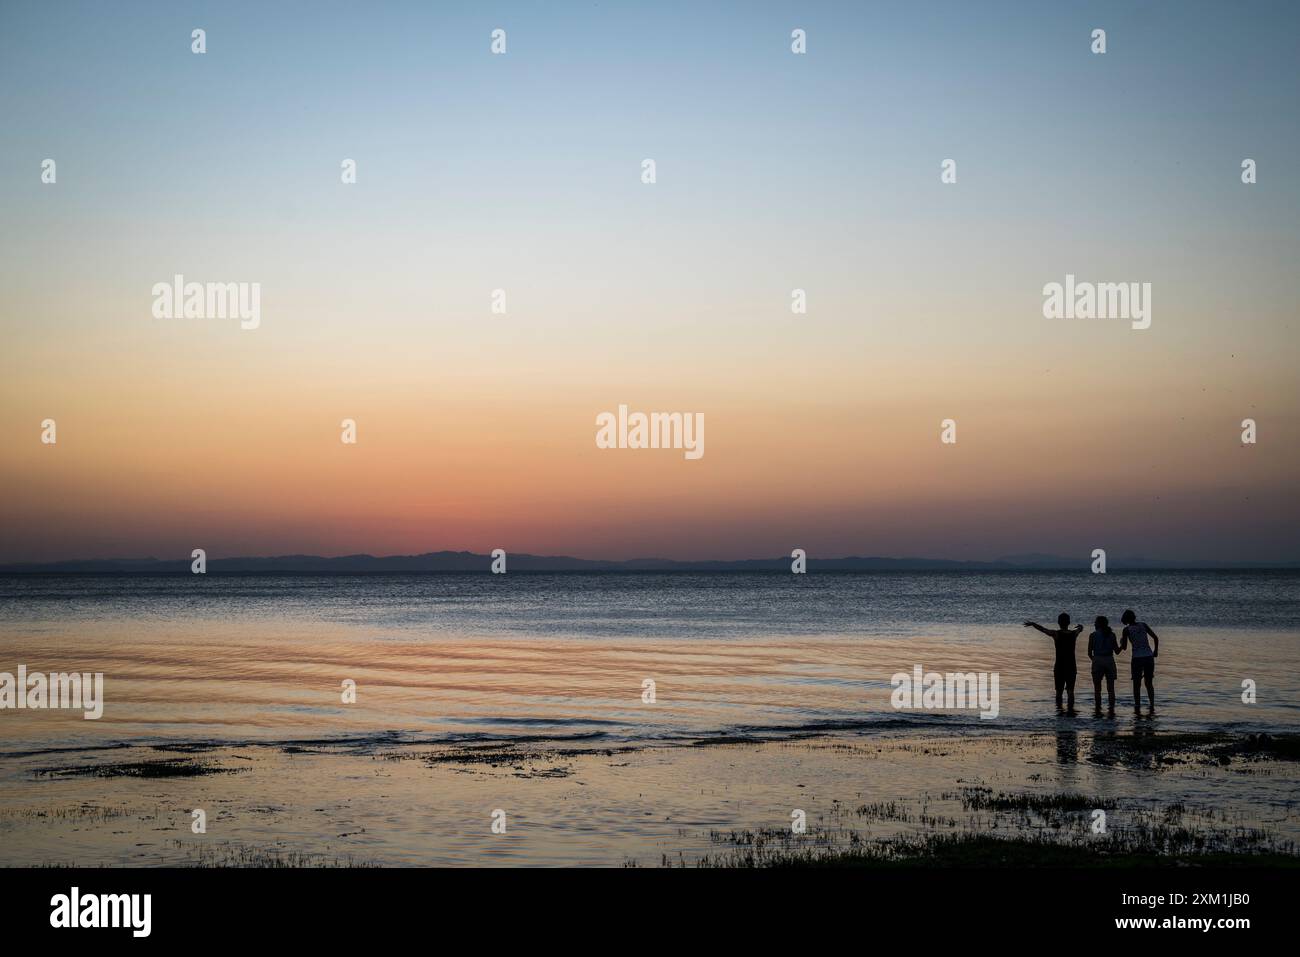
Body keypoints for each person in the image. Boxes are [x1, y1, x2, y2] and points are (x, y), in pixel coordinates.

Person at [1024, 613, 1083, 711]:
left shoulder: (1056, 634)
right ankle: (1071, 712)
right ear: (1068, 622)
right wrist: (1081, 627)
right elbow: (1080, 629)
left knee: (1059, 692)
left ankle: (1059, 711)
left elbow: (1043, 629)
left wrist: (1033, 624)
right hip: (1071, 666)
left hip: (1059, 667)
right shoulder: (1074, 634)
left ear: (1058, 622)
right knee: (1070, 691)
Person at [1119, 609, 1160, 714]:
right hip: (1148, 656)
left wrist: (1121, 641)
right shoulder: (1143, 625)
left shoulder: (1126, 630)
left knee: (1136, 685)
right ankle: (1152, 705)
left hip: (1137, 658)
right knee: (1149, 683)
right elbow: (1155, 638)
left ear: (1125, 619)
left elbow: (1124, 647)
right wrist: (1155, 651)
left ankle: (1137, 706)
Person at [1087, 615, 1120, 715]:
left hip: (1097, 660)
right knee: (1111, 689)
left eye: (1095, 622)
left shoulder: (1092, 635)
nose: (1094, 624)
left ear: (1098, 624)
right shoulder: (1112, 635)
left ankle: (1098, 710)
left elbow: (1089, 653)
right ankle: (1111, 710)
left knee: (1097, 689)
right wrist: (1122, 644)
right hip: (1109, 660)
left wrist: (1095, 660)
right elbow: (1117, 651)